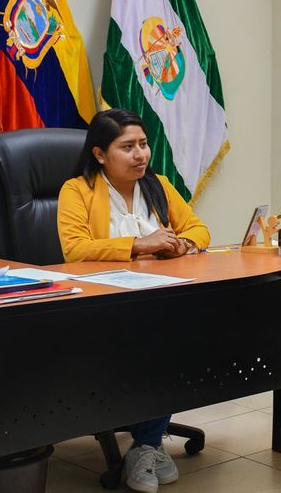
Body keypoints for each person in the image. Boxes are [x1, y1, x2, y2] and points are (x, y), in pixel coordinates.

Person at [57, 109, 211, 493]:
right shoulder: (76, 190)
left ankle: (146, 444)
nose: (140, 154)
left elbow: (199, 229)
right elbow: (75, 249)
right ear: (99, 154)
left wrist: (182, 244)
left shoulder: (158, 185)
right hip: (101, 305)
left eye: (143, 144)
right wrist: (139, 244)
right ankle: (149, 444)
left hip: (157, 299)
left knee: (179, 336)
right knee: (160, 343)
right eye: (127, 147)